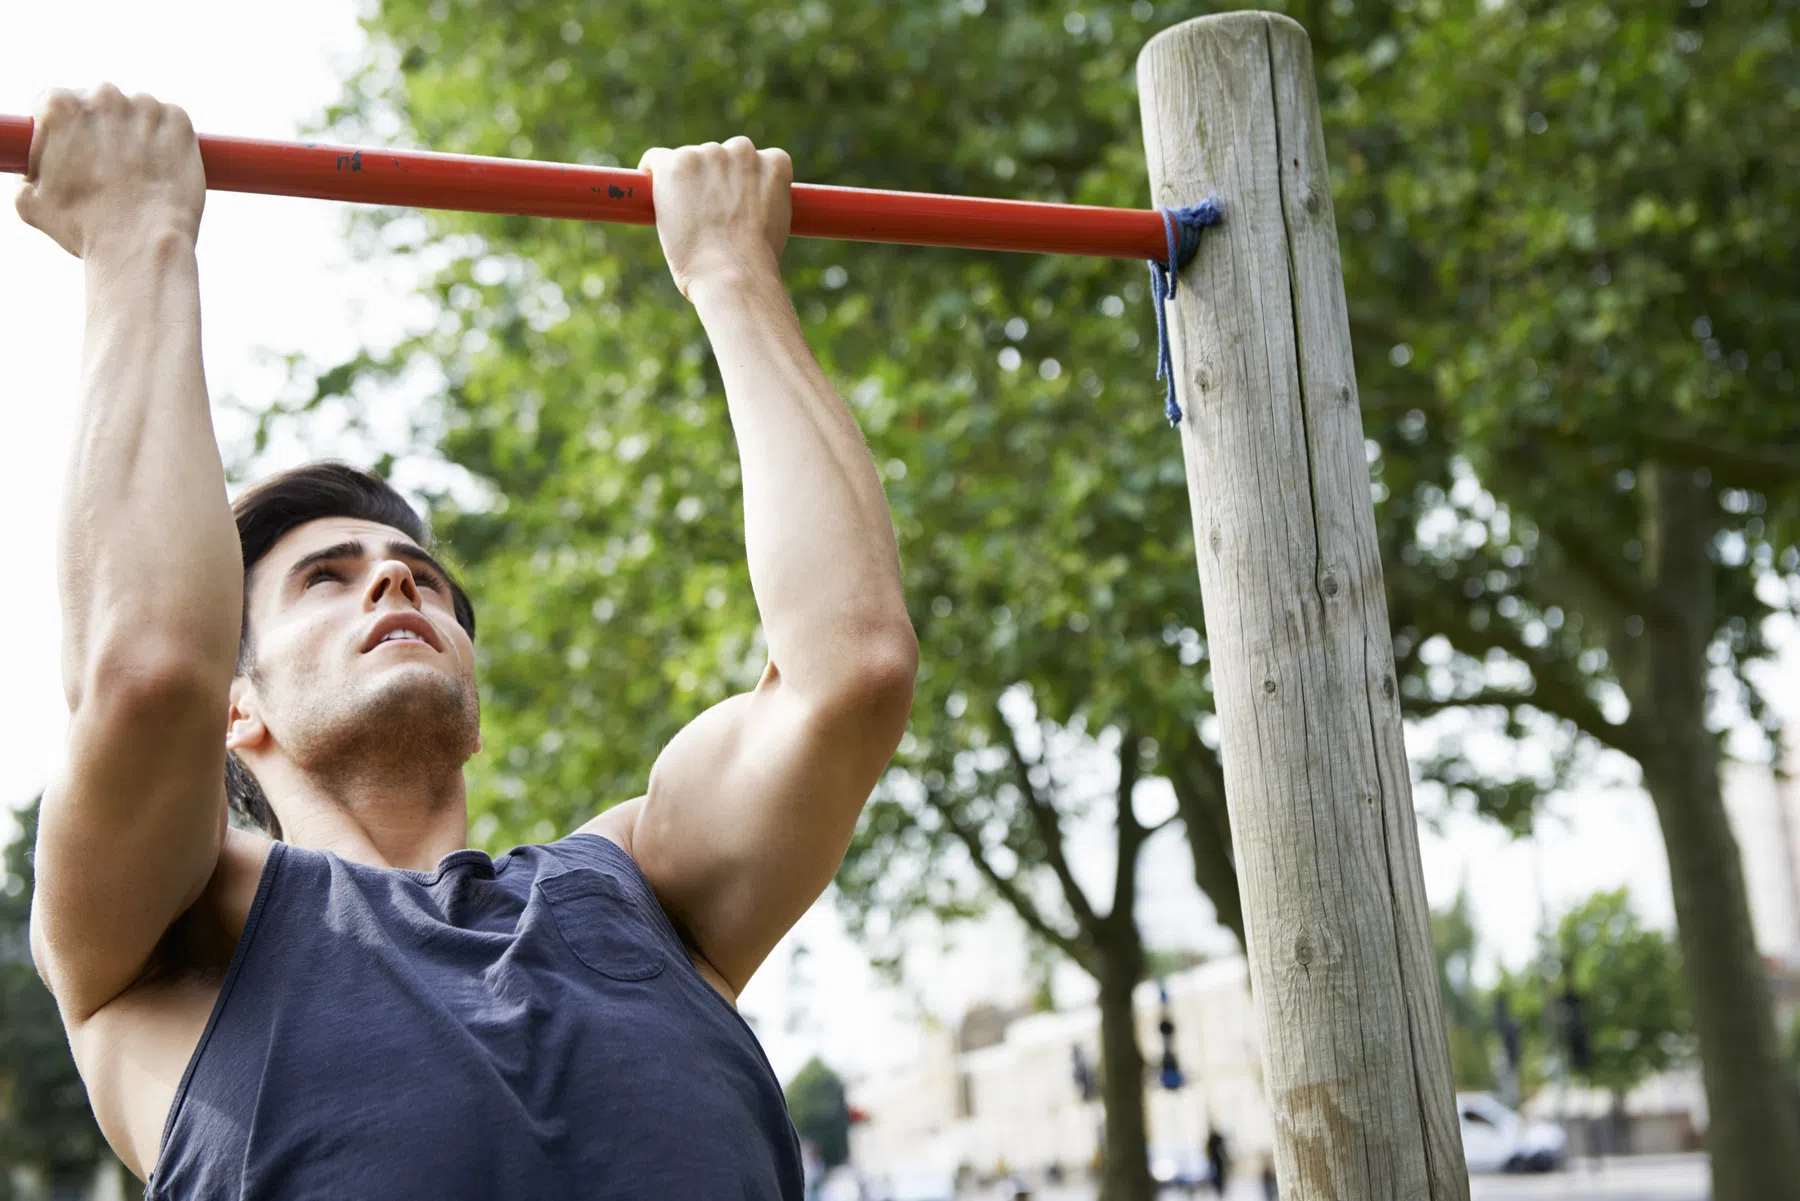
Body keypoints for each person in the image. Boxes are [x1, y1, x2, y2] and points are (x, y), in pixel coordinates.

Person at [16, 85, 917, 1200]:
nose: (396, 577)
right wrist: (138, 239)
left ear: (473, 706)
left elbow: (852, 667)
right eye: (325, 577)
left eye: (427, 580)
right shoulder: (172, 951)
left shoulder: (642, 890)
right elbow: (149, 673)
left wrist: (733, 273)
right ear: (235, 706)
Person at [1206, 1128, 1231, 1196]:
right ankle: (1218, 1190)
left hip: (1218, 1163)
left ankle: (1220, 1190)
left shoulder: (1215, 1141)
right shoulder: (1212, 1142)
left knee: (1219, 1177)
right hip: (1215, 1162)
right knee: (1216, 1177)